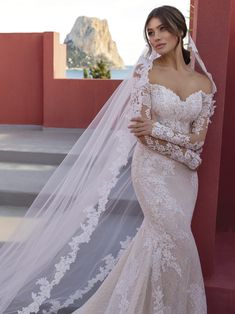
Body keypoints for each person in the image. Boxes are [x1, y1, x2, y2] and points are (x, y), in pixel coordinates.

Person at [0, 5, 217, 314]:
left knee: (159, 243)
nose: (156, 37)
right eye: (151, 32)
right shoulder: (145, 73)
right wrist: (182, 150)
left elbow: (199, 142)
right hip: (151, 171)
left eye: (163, 29)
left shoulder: (205, 85)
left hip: (184, 181)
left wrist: (177, 147)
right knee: (177, 241)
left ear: (180, 30)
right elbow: (144, 135)